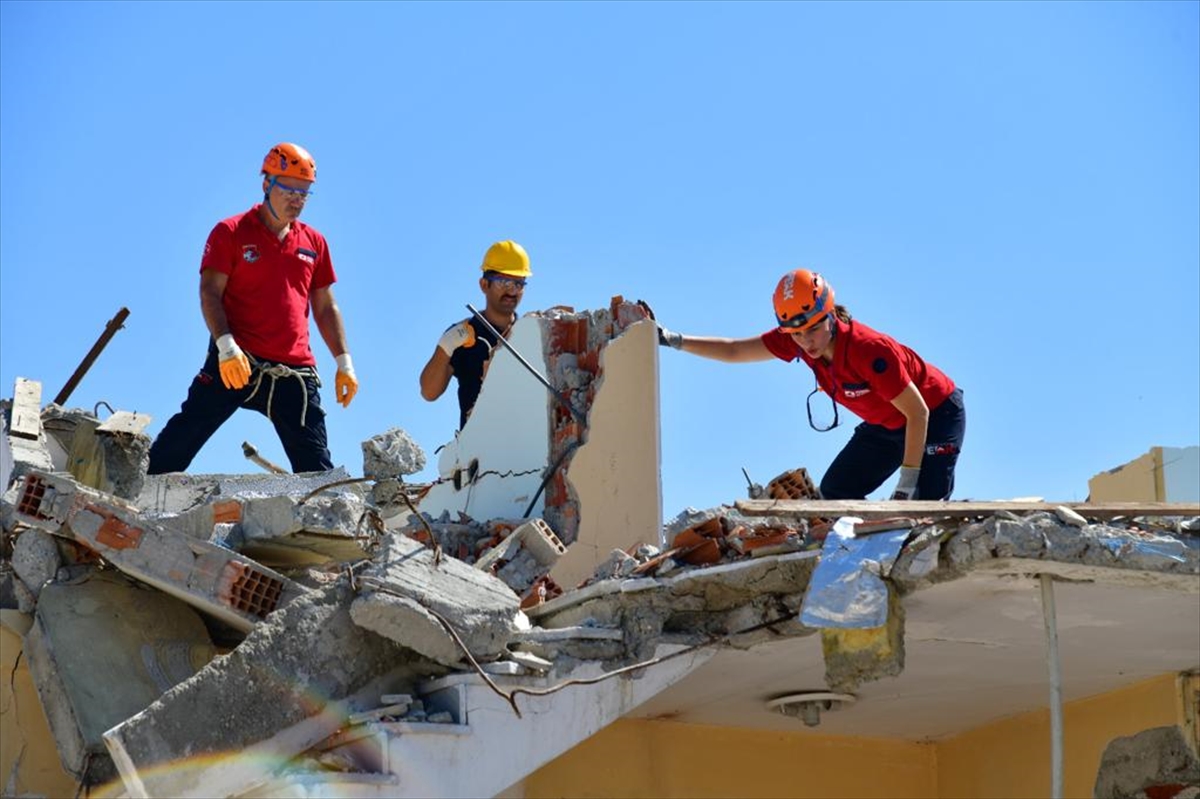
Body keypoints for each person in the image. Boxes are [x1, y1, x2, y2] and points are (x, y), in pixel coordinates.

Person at [655, 268, 965, 500]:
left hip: (935, 415)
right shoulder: (796, 340)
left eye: (813, 330)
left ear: (830, 315)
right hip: (886, 425)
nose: (806, 341)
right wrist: (674, 340)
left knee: (922, 507)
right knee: (835, 492)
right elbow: (735, 349)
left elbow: (918, 413)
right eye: (797, 334)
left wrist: (906, 484)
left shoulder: (869, 350)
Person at [147, 142, 358, 475]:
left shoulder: (314, 243)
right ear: (266, 184)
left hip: (294, 371)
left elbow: (325, 305)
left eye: (305, 193)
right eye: (290, 189)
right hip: (237, 360)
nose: (297, 200)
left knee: (317, 471)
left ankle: (328, 522)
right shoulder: (230, 232)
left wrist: (344, 362)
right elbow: (209, 293)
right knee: (181, 439)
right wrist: (226, 347)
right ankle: (133, 497)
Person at [420, 240, 531, 429]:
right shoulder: (464, 335)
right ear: (484, 284)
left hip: (521, 445)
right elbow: (429, 392)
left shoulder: (528, 336)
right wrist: (447, 345)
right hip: (477, 451)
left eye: (518, 284)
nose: (512, 291)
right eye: (504, 282)